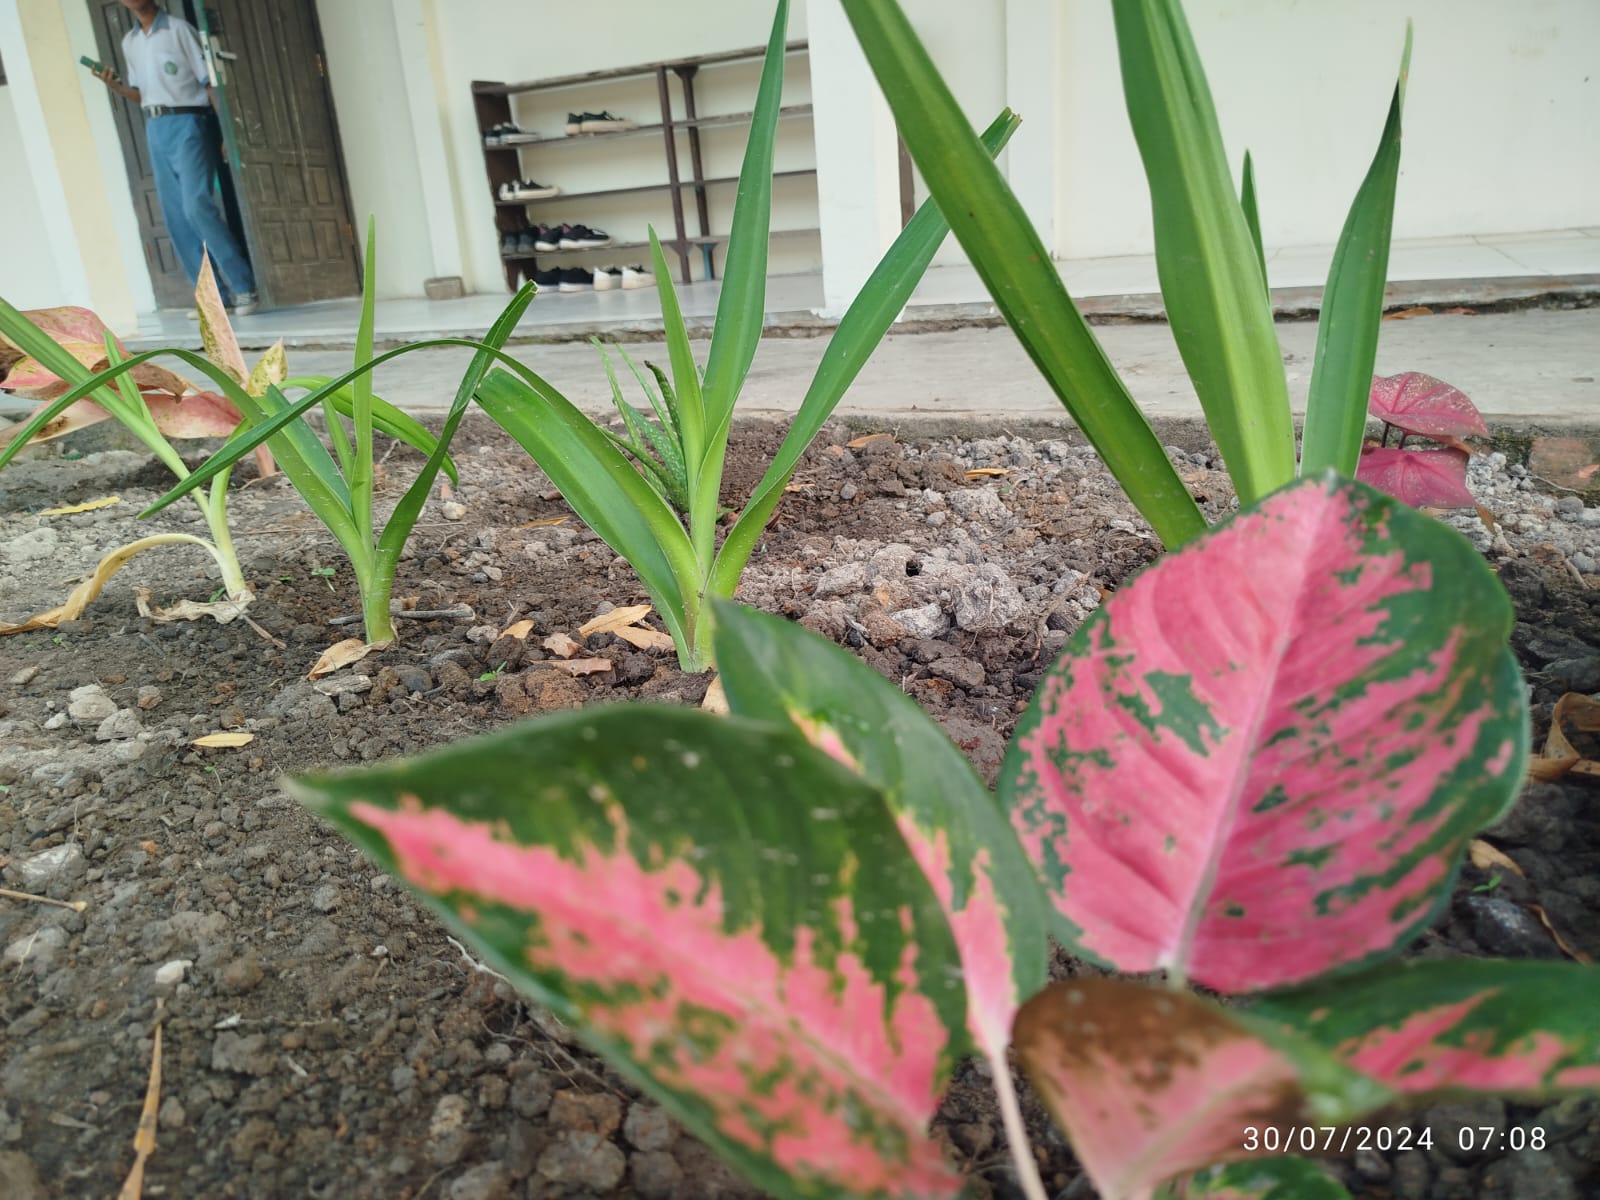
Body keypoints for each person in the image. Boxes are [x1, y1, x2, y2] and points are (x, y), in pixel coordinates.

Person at [94, 0, 258, 314]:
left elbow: (208, 82)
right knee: (176, 218)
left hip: (189, 122)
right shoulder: (130, 42)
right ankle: (213, 301)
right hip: (155, 127)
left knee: (196, 206)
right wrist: (115, 87)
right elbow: (142, 93)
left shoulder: (179, 30)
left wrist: (226, 132)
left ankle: (243, 287)